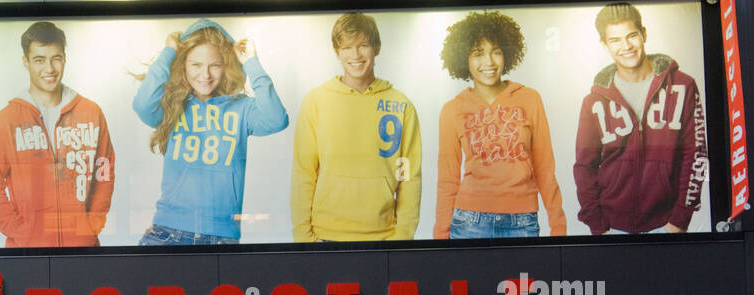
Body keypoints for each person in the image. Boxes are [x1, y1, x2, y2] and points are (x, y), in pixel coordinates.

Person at [133, 18, 288, 245]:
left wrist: (252, 62)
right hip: (168, 232)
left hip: (221, 236)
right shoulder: (173, 106)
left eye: (214, 65)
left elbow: (277, 119)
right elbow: (142, 105)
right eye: (196, 65)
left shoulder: (241, 108)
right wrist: (169, 52)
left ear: (226, 66)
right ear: (183, 65)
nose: (205, 75)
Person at [0, 21, 115, 246]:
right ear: (26, 62)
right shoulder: (6, 120)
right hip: (26, 250)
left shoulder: (91, 112)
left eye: (56, 58)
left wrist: (92, 226)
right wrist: (19, 231)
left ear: (65, 58)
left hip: (83, 247)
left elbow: (104, 171)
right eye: (39, 60)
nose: (49, 69)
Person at [573, 3, 706, 235]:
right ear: (604, 45)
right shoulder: (593, 102)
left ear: (643, 34)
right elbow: (584, 167)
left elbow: (696, 156)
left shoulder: (683, 86)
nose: (626, 46)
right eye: (615, 40)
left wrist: (680, 220)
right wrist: (598, 226)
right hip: (612, 228)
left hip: (667, 225)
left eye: (631, 36)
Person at [291, 12, 421, 242]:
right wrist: (304, 239)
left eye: (363, 45)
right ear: (337, 53)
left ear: (377, 48)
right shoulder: (316, 101)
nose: (356, 55)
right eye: (347, 47)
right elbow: (304, 173)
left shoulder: (402, 105)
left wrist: (402, 238)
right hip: (325, 238)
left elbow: (409, 176)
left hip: (384, 239)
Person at [435, 10, 565, 239]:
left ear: (506, 53)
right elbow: (448, 179)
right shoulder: (452, 110)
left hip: (522, 222)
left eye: (496, 52)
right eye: (478, 53)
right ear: (464, 59)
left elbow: (545, 167)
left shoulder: (529, 98)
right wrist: (440, 235)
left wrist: (559, 226)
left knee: (523, 277)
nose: (489, 62)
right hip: (469, 222)